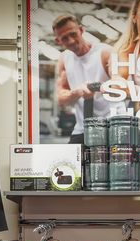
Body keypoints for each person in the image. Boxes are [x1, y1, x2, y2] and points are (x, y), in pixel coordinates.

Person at [53, 14, 125, 144]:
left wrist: (99, 87)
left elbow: (118, 82)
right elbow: (61, 99)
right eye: (64, 38)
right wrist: (77, 92)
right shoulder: (64, 59)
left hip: (113, 123)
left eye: (73, 34)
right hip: (83, 127)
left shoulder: (105, 52)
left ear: (81, 30)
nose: (71, 41)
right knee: (71, 157)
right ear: (58, 41)